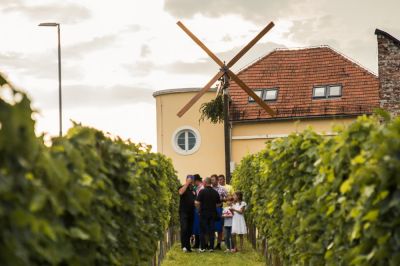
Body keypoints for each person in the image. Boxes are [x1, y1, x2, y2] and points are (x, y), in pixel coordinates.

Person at [196, 177, 222, 252]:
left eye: (203, 182)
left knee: (202, 231)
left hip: (203, 214)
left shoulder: (202, 191)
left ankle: (203, 247)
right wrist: (213, 206)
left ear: (205, 182)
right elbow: (219, 203)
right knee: (211, 231)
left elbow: (197, 202)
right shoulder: (215, 192)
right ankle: (211, 247)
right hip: (213, 214)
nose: (203, 183)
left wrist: (198, 210)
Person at [178, 175, 196, 252]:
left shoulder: (193, 190)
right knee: (184, 228)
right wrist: (187, 183)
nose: (190, 182)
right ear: (186, 180)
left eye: (191, 180)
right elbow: (180, 192)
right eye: (189, 180)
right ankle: (184, 246)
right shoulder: (182, 187)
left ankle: (188, 246)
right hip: (183, 211)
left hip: (191, 212)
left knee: (189, 229)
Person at [211, 174, 227, 250]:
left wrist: (222, 200)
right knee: (212, 227)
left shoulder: (222, 188)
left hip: (219, 209)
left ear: (217, 180)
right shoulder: (210, 188)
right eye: (211, 180)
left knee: (219, 227)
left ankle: (218, 244)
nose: (212, 181)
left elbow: (227, 197)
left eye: (213, 180)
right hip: (211, 209)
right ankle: (212, 243)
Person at [192, 174, 203, 249]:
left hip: (200, 208)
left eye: (193, 181)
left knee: (200, 226)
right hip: (197, 208)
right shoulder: (197, 188)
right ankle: (197, 242)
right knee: (196, 226)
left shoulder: (202, 188)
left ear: (196, 181)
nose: (193, 183)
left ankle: (200, 243)